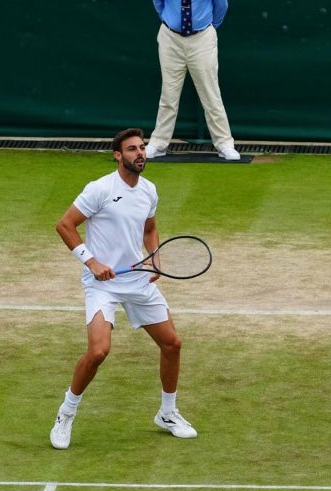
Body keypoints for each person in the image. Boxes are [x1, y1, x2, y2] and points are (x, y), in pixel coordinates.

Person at [50, 128, 198, 450]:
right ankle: (66, 412)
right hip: (102, 285)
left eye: (142, 148)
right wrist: (91, 262)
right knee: (99, 351)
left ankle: (168, 413)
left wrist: (154, 256)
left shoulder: (149, 190)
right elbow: (65, 225)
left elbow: (150, 228)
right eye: (132, 149)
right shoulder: (99, 189)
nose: (140, 153)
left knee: (172, 344)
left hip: (137, 281)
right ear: (118, 155)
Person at [146, 0, 241, 161]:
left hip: (202, 37)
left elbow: (221, 6)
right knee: (169, 94)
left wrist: (210, 27)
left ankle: (224, 144)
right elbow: (158, 2)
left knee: (211, 94)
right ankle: (159, 144)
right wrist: (168, 19)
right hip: (170, 37)